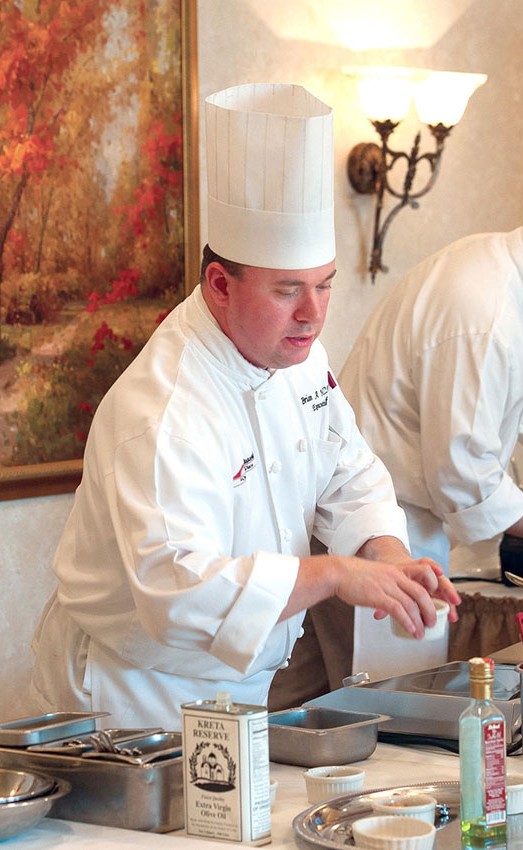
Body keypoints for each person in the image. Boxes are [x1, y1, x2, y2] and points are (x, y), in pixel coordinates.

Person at [30, 83, 460, 730]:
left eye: (323, 286)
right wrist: (331, 573)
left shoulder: (295, 354)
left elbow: (347, 470)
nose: (313, 315)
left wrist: (383, 553)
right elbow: (180, 593)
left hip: (243, 685)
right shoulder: (165, 407)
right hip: (134, 698)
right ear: (221, 286)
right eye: (288, 290)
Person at [340, 228, 523, 570]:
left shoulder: (496, 265)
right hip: (379, 526)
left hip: (397, 516)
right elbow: (466, 477)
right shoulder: (485, 320)